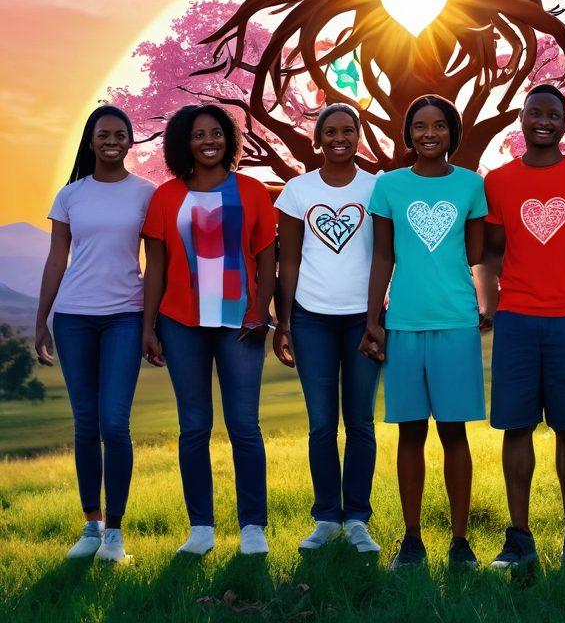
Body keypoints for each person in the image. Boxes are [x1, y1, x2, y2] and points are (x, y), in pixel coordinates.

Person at [477, 84, 565, 570]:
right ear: (521, 120)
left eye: (552, 113)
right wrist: (495, 305)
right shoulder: (497, 181)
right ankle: (519, 538)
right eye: (534, 113)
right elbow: (491, 250)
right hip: (517, 320)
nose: (543, 120)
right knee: (515, 428)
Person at [141, 104, 276, 557]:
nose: (208, 141)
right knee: (194, 427)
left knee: (244, 426)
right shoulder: (165, 197)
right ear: (185, 142)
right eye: (198, 135)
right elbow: (154, 266)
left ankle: (253, 527)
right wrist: (149, 326)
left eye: (215, 133)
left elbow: (266, 258)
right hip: (181, 322)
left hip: (240, 323)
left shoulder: (254, 191)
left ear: (228, 139)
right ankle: (201, 529)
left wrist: (261, 310)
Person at [359, 96, 486, 570]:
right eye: (418, 126)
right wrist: (374, 319)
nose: (428, 134)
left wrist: (482, 306)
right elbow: (382, 257)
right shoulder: (388, 186)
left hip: (456, 321)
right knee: (410, 432)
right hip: (404, 323)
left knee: (454, 432)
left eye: (438, 126)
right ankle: (411, 540)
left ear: (453, 132)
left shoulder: (472, 185)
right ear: (407, 133)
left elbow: (474, 254)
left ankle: (460, 542)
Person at [34, 105, 154, 563]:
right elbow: (55, 260)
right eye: (104, 134)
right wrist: (42, 318)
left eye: (120, 134)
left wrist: (151, 324)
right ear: (91, 141)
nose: (112, 140)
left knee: (114, 423)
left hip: (124, 315)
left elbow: (158, 262)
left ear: (130, 140)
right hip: (73, 318)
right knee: (86, 424)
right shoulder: (69, 196)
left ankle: (116, 535)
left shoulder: (146, 194)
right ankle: (91, 524)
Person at [274, 103, 381, 555]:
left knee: (360, 422)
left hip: (364, 318)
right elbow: (289, 260)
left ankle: (357, 519)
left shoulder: (378, 189)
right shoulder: (297, 191)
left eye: (349, 131)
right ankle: (326, 519)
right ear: (317, 139)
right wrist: (283, 322)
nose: (340, 138)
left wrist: (377, 318)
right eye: (331, 132)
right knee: (322, 424)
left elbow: (384, 257)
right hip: (310, 318)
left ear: (359, 136)